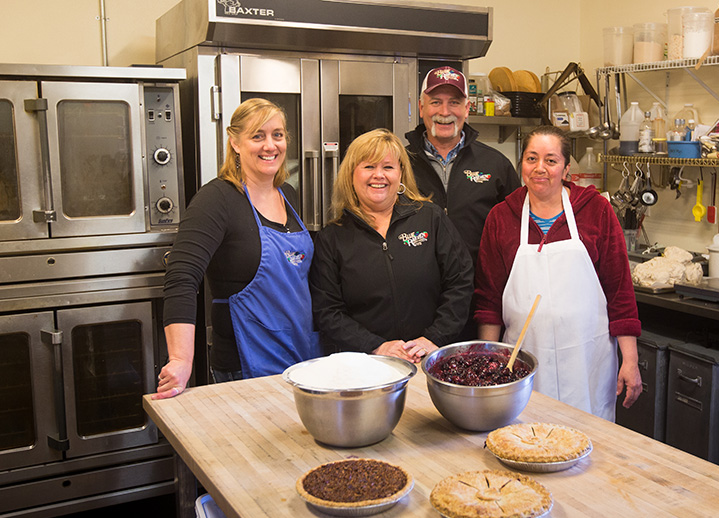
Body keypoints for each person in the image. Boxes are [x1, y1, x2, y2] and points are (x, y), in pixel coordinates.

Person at [474, 125, 642, 420]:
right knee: (526, 438)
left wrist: (630, 359)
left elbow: (620, 292)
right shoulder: (501, 217)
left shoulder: (596, 211)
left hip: (588, 358)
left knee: (589, 440)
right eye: (531, 158)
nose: (540, 168)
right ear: (521, 164)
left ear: (566, 168)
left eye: (551, 160)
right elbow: (489, 300)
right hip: (524, 357)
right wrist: (490, 357)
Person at [155, 98, 320, 399]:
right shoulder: (217, 199)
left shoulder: (288, 195)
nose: (270, 145)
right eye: (258, 136)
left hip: (301, 357)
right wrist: (180, 359)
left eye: (277, 135)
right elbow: (181, 277)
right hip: (245, 366)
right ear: (234, 142)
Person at [310, 128, 473, 363]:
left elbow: (460, 282)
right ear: (351, 174)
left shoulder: (430, 218)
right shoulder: (332, 238)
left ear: (400, 174)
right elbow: (328, 311)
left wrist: (433, 338)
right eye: (368, 167)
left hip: (429, 360)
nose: (379, 175)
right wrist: (376, 346)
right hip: (366, 365)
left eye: (388, 167)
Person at [405, 66, 522, 265]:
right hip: (415, 291)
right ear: (421, 107)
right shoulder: (397, 164)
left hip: (479, 288)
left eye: (454, 103)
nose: (444, 112)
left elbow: (517, 232)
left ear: (467, 109)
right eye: (435, 102)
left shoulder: (496, 165)